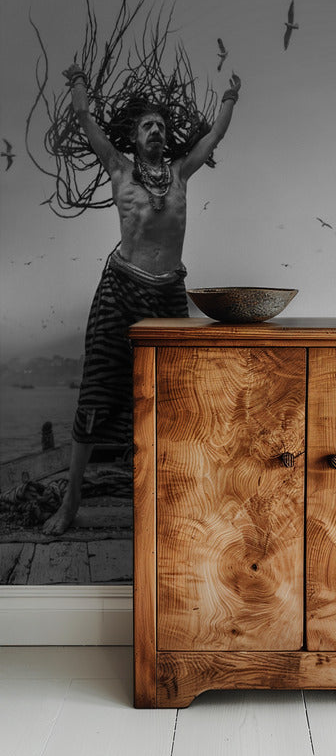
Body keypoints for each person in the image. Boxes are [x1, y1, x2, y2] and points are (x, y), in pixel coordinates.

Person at [41, 64, 241, 535]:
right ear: (134, 137)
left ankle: (175, 497)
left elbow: (213, 136)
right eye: (148, 125)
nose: (156, 131)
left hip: (168, 291)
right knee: (97, 392)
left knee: (175, 395)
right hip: (120, 289)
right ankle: (70, 502)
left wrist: (230, 100)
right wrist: (77, 86)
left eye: (162, 127)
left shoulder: (181, 173)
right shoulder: (120, 169)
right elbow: (86, 122)